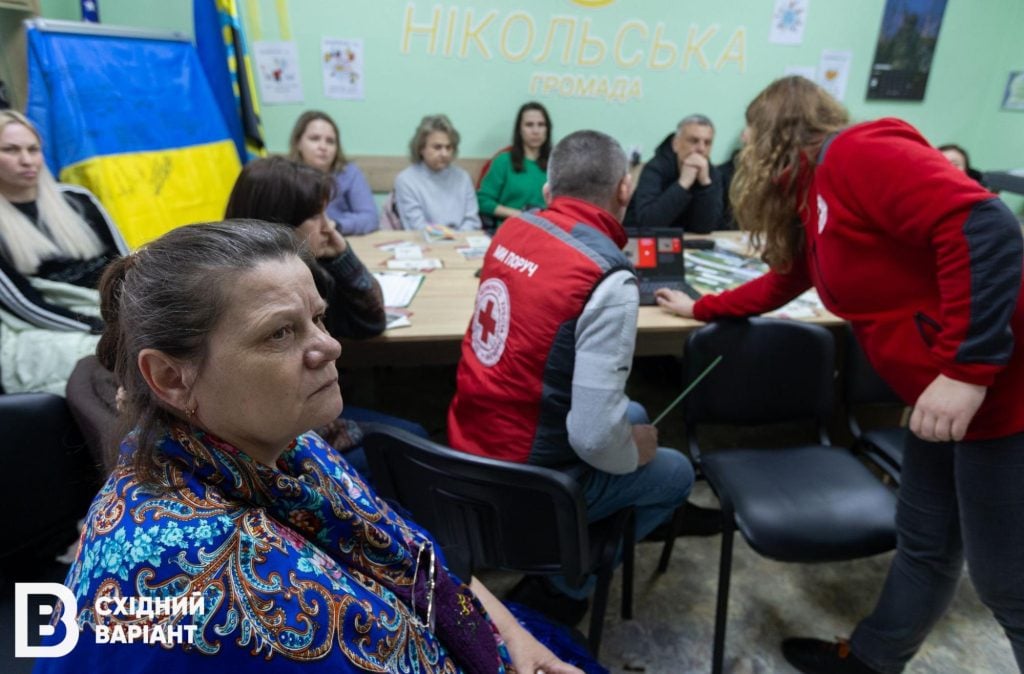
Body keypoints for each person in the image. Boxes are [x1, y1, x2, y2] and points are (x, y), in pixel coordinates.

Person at [38, 220, 586, 674]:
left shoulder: (287, 445)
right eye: (280, 333)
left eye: (317, 318)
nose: (329, 345)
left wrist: (511, 634)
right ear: (171, 377)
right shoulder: (197, 586)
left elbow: (411, 557)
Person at [655, 75, 1024, 674]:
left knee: (1008, 585)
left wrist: (965, 370)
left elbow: (986, 228)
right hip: (939, 402)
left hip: (999, 400)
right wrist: (699, 307)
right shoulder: (814, 191)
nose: (744, 150)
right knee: (926, 547)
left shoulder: (857, 154)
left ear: (773, 135)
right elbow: (788, 277)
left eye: (749, 136)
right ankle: (872, 661)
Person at [449, 130, 700, 619]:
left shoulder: (512, 230)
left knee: (635, 413)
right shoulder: (608, 275)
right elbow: (591, 437)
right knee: (676, 472)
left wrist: (624, 442)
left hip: (466, 445)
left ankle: (567, 544)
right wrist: (635, 453)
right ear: (624, 190)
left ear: (548, 191)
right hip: (529, 479)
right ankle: (564, 587)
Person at [225, 156, 424, 476]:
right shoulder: (248, 296)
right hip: (294, 441)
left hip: (309, 419)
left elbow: (370, 322)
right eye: (316, 216)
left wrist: (342, 255)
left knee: (410, 433)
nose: (328, 226)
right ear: (281, 224)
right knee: (412, 443)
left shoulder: (308, 271)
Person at [0, 109, 126, 333]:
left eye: (33, 149)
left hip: (120, 306)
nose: (26, 160)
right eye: (10, 150)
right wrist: (97, 329)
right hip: (60, 326)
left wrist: (141, 308)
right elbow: (24, 305)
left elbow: (124, 261)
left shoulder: (79, 198)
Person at [623, 113, 724, 233]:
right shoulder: (655, 168)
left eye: (707, 143)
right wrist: (683, 184)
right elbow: (648, 222)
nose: (701, 148)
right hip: (643, 243)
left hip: (688, 244)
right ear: (676, 144)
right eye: (694, 141)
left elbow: (706, 228)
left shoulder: (712, 174)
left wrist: (705, 185)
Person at [288, 110, 379, 235]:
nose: (323, 146)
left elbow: (370, 218)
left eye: (330, 141)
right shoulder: (285, 175)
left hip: (340, 239)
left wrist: (335, 225)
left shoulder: (349, 173)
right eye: (315, 139)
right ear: (298, 143)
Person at [394, 114, 481, 231]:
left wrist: (457, 239)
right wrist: (446, 238)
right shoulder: (406, 180)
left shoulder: (463, 177)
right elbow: (417, 226)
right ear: (421, 148)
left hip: (461, 243)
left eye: (448, 147)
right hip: (425, 243)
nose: (444, 153)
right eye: (437, 147)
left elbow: (472, 221)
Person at [476, 101, 551, 227]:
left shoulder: (556, 164)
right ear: (519, 129)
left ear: (547, 129)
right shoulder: (503, 161)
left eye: (541, 125)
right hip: (511, 230)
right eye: (529, 125)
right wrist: (520, 215)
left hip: (547, 231)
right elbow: (482, 201)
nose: (535, 131)